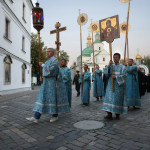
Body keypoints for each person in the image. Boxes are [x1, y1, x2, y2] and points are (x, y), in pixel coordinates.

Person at [26, 48, 70, 123]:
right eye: (47, 52)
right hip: (46, 84)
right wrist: (42, 76)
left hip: (52, 84)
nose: (47, 53)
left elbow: (52, 70)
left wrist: (43, 65)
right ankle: (36, 117)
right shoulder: (47, 61)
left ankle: (55, 116)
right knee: (42, 99)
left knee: (52, 99)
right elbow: (45, 72)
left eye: (49, 51)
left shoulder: (55, 61)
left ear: (53, 53)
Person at [102, 53, 127, 120]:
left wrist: (116, 77)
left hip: (118, 87)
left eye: (116, 57)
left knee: (117, 100)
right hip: (110, 85)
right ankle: (109, 114)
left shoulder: (122, 67)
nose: (115, 58)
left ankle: (117, 114)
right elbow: (106, 75)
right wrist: (109, 66)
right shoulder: (111, 66)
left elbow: (124, 76)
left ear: (119, 58)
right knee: (109, 99)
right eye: (114, 57)